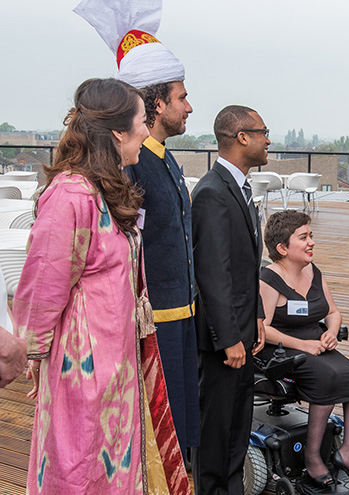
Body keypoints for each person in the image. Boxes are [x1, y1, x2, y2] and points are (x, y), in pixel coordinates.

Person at [13, 77, 188, 494]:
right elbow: (41, 288)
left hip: (119, 365)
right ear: (116, 133)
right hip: (82, 371)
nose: (147, 131)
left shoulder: (103, 189)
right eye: (142, 122)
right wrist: (31, 355)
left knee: (114, 468)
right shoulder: (71, 196)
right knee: (79, 466)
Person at [77, 0, 201, 454]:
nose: (190, 106)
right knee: (158, 435)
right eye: (182, 96)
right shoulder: (128, 165)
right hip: (152, 322)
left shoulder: (163, 158)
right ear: (155, 102)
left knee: (185, 431)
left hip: (181, 312)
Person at [259, 210, 349, 489]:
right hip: (282, 348)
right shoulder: (269, 279)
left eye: (310, 235)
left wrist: (331, 333)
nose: (311, 242)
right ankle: (312, 457)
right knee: (326, 376)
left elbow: (333, 312)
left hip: (316, 341)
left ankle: (348, 450)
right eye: (303, 237)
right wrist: (303, 345)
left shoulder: (312, 271)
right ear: (282, 248)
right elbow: (263, 329)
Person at [191, 105, 268, 494]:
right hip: (223, 342)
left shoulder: (239, 188)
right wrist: (228, 337)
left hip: (243, 330)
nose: (268, 139)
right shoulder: (211, 192)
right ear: (242, 137)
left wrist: (255, 318)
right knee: (217, 434)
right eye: (263, 131)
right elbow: (212, 273)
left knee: (238, 430)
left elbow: (244, 268)